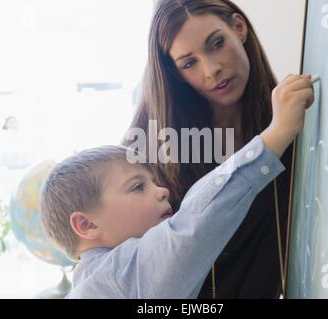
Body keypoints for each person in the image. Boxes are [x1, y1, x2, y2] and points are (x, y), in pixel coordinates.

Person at [40, 71, 314, 298]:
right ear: (86, 225)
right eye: (137, 187)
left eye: (151, 182)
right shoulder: (117, 277)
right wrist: (276, 134)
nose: (163, 191)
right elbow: (192, 228)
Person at [124, 0, 309, 298]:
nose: (212, 70)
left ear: (239, 27)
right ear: (175, 74)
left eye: (216, 44)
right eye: (189, 63)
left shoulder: (291, 123)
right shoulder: (147, 157)